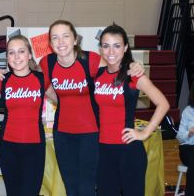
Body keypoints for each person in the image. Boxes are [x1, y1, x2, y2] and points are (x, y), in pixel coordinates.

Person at [38, 20, 144, 196]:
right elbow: (47, 89)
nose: (60, 42)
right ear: (50, 43)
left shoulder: (91, 60)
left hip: (91, 133)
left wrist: (134, 64)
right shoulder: (46, 63)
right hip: (62, 134)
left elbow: (117, 66)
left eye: (66, 36)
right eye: (55, 37)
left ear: (75, 40)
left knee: (86, 187)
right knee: (71, 187)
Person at [95, 24, 169, 196]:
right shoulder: (97, 74)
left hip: (129, 150)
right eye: (106, 46)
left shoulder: (133, 75)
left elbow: (163, 103)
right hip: (103, 151)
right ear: (100, 48)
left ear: (126, 47)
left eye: (117, 45)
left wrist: (144, 133)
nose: (111, 51)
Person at [0, 35, 57, 196]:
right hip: (8, 146)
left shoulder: (41, 79)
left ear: (29, 55)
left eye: (21, 51)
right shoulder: (1, 80)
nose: (16, 57)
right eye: (11, 53)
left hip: (35, 147)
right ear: (7, 57)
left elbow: (63, 101)